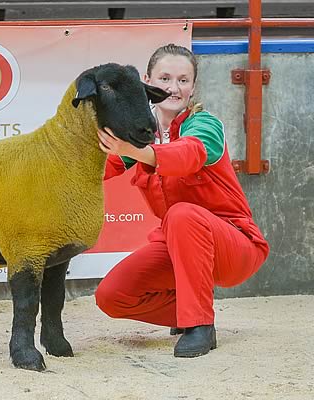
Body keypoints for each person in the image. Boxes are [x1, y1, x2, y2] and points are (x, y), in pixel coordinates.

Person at [94, 44, 270, 358]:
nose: (174, 88)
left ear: (193, 87)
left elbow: (189, 154)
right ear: (146, 81)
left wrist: (136, 152)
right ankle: (188, 304)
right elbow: (96, 169)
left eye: (183, 80)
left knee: (182, 214)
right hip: (179, 245)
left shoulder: (205, 125)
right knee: (112, 296)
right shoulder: (140, 135)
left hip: (235, 245)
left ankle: (200, 325)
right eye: (164, 78)